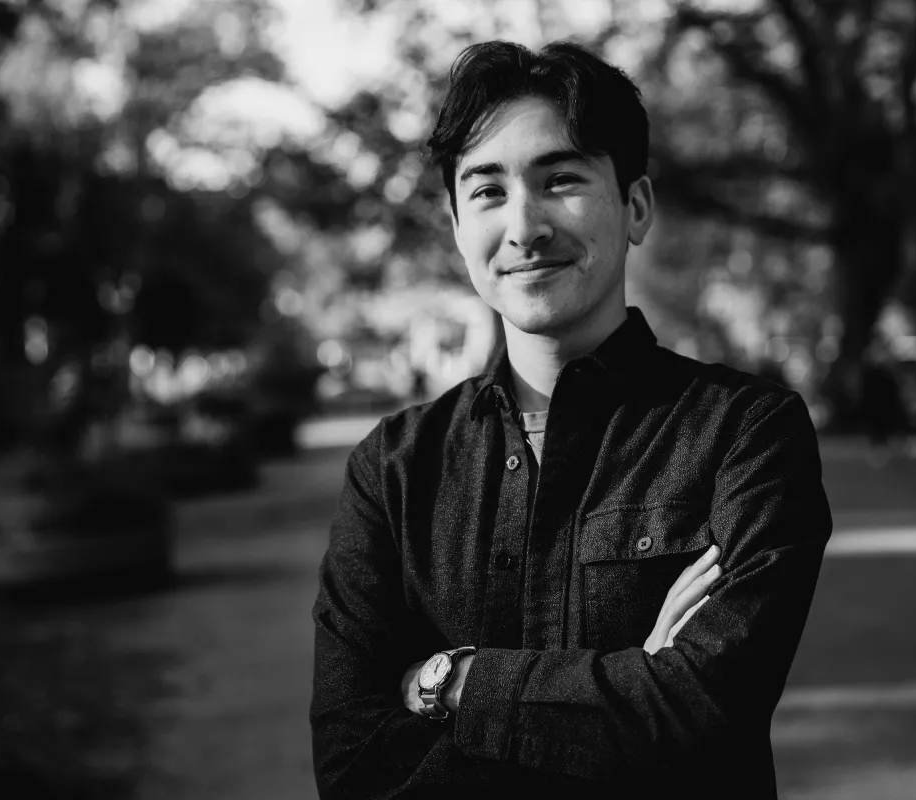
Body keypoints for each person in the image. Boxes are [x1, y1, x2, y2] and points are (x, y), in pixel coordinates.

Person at [311, 40, 832, 798]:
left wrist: (449, 682)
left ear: (637, 207)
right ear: (458, 228)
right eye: (487, 192)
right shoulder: (392, 469)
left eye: (560, 180)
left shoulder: (744, 435)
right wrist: (627, 689)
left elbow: (703, 707)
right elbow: (353, 767)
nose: (525, 226)